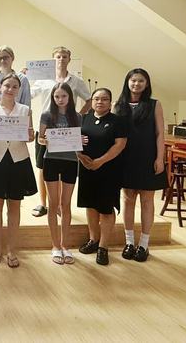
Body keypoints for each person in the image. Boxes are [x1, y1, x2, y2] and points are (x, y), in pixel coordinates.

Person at [0, 73, 37, 268]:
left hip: (18, 160)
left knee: (14, 206)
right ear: (0, 87)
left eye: (14, 86)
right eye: (7, 86)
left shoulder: (25, 110)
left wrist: (30, 136)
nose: (10, 89)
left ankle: (11, 250)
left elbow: (29, 137)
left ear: (18, 90)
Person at [30, 46, 91, 217]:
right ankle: (44, 204)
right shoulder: (43, 78)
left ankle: (60, 206)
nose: (61, 59)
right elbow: (30, 94)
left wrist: (79, 116)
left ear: (69, 59)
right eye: (58, 56)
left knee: (65, 165)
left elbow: (89, 100)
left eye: (64, 56)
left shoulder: (76, 80)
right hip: (46, 129)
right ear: (53, 59)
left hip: (67, 132)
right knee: (43, 166)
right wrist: (24, 78)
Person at [114, 68, 167, 262]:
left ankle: (144, 244)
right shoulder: (118, 105)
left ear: (147, 84)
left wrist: (160, 158)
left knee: (147, 200)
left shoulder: (154, 104)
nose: (136, 84)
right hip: (125, 158)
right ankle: (129, 242)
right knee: (128, 199)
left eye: (141, 81)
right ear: (127, 82)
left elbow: (160, 134)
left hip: (148, 157)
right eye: (133, 80)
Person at [77, 88, 127, 265]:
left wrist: (100, 161)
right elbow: (73, 141)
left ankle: (103, 247)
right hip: (86, 168)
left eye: (104, 99)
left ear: (110, 102)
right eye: (96, 99)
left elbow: (120, 144)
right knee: (90, 205)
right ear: (91, 101)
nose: (100, 102)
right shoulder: (84, 119)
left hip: (109, 169)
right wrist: (80, 156)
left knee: (105, 208)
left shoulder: (117, 121)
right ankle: (93, 239)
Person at [39, 83, 82, 265]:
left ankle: (65, 245)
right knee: (53, 204)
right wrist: (46, 140)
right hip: (51, 160)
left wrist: (81, 140)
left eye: (63, 96)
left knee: (66, 204)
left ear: (70, 97)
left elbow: (78, 139)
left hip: (70, 162)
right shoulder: (47, 115)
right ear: (53, 98)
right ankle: (55, 245)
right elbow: (40, 139)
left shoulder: (77, 116)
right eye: (57, 96)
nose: (60, 99)